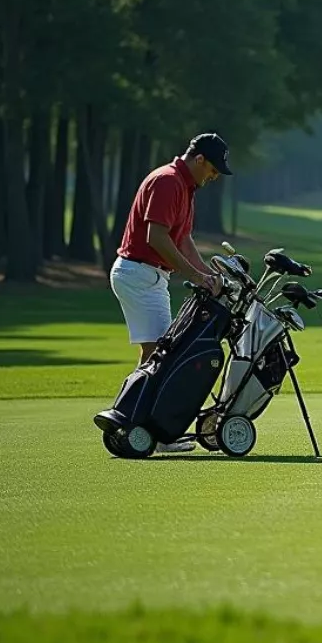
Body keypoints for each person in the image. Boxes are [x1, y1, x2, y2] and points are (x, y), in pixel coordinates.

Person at [109, 133, 231, 452]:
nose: (214, 176)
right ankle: (148, 431)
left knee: (155, 355)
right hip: (140, 273)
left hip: (147, 276)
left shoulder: (184, 186)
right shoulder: (167, 182)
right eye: (213, 169)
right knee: (162, 358)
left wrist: (206, 273)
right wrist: (194, 276)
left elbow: (183, 240)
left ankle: (137, 427)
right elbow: (157, 238)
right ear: (199, 159)